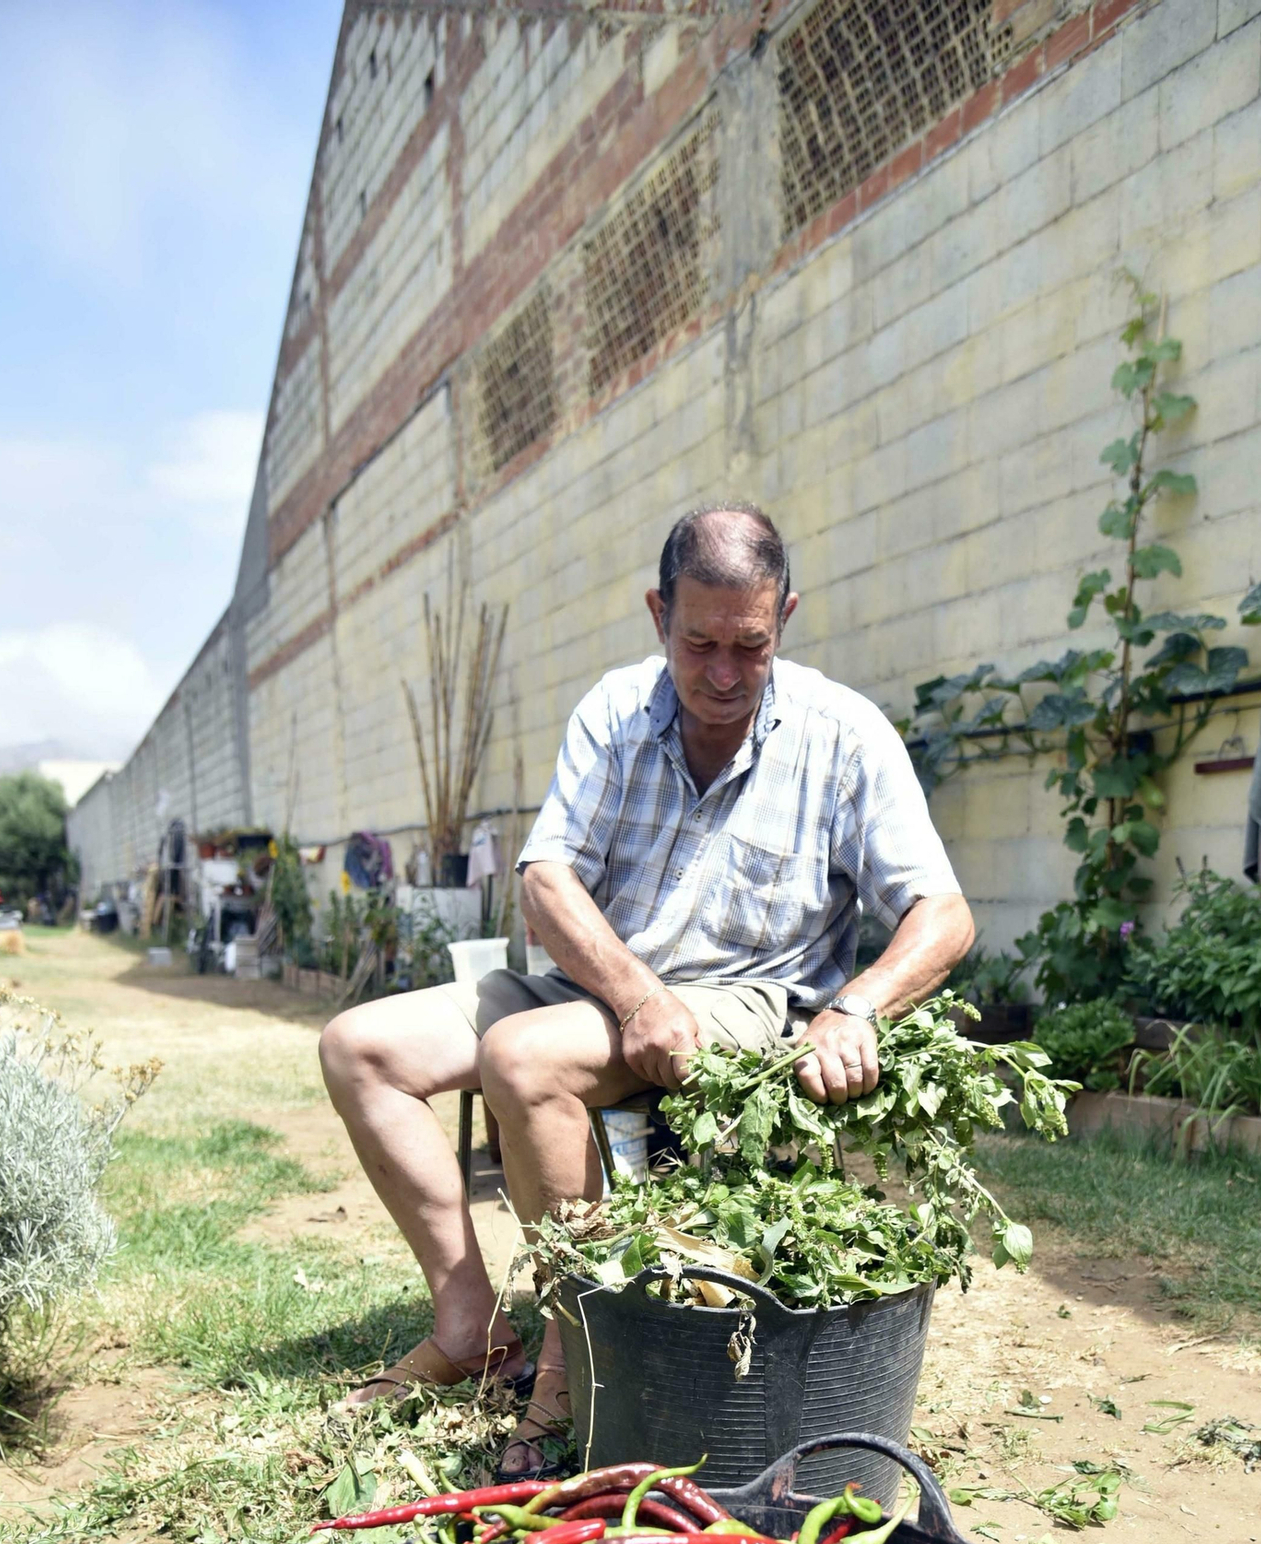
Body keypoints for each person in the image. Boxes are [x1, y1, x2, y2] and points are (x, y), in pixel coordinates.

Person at [320, 504, 974, 1471]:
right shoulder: (617, 712)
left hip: (749, 997)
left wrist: (858, 1007)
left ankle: (574, 1365)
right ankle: (471, 1328)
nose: (721, 674)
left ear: (784, 617)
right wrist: (632, 996)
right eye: (697, 641)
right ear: (656, 613)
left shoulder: (844, 736)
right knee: (359, 1047)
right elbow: (546, 879)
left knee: (524, 1057)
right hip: (608, 986)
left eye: (749, 647)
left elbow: (944, 913)